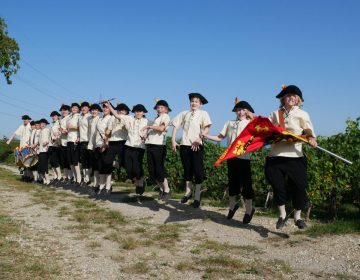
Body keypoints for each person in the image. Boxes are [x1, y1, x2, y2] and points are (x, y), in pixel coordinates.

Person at [265, 85, 317, 229]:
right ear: (283, 98)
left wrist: (312, 139)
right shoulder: (275, 113)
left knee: (300, 187)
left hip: (295, 156)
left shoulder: (303, 114)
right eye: (288, 95)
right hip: (276, 156)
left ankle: (297, 217)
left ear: (298, 99)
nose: (291, 98)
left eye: (294, 96)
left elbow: (308, 132)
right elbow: (266, 129)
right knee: (278, 187)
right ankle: (282, 215)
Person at [203, 99, 256, 223]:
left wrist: (251, 116)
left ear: (247, 111)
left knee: (246, 185)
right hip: (231, 157)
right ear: (235, 111)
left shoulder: (251, 123)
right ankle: (232, 207)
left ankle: (249, 210)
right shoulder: (229, 123)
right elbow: (219, 137)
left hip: (244, 158)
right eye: (238, 110)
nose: (240, 112)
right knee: (232, 183)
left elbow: (260, 129)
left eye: (243, 109)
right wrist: (206, 136)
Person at [170, 93, 212, 208]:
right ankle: (188, 193)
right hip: (184, 145)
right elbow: (176, 125)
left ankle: (197, 196)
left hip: (197, 145)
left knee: (198, 171)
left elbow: (207, 127)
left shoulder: (204, 113)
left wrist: (199, 139)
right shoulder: (184, 113)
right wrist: (173, 140)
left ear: (201, 104)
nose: (194, 103)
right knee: (187, 170)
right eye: (192, 101)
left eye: (196, 102)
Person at [104, 101, 148, 195]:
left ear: (143, 112)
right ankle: (137, 182)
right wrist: (109, 106)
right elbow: (117, 115)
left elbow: (146, 131)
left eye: (140, 111)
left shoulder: (145, 121)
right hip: (128, 145)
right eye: (136, 111)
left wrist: (145, 137)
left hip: (139, 147)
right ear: (133, 112)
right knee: (128, 168)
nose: (138, 113)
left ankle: (140, 184)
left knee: (136, 168)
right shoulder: (129, 118)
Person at [142, 99, 171, 200]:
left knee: (159, 169)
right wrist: (146, 136)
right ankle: (162, 189)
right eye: (158, 107)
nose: (159, 109)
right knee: (152, 171)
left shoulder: (166, 117)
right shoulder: (156, 118)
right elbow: (154, 130)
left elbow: (161, 129)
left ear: (166, 109)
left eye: (162, 107)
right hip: (150, 144)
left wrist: (149, 126)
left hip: (159, 146)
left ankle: (166, 190)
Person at [92, 103, 113, 195]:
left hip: (106, 145)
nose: (105, 109)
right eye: (104, 107)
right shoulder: (100, 119)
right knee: (100, 166)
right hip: (97, 144)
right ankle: (101, 185)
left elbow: (109, 131)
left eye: (107, 107)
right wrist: (93, 145)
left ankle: (108, 186)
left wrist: (105, 144)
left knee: (107, 166)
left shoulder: (111, 118)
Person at [105, 103, 130, 176]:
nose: (120, 111)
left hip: (122, 142)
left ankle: (135, 179)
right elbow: (108, 131)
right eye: (119, 110)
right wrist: (105, 140)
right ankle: (115, 171)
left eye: (122, 110)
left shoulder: (127, 118)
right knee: (107, 161)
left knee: (124, 163)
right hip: (112, 141)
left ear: (126, 112)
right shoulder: (112, 118)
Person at [6, 115, 32, 180]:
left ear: (29, 120)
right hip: (21, 147)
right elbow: (15, 133)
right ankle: (22, 176)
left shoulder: (31, 126)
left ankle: (29, 176)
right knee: (20, 163)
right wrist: (9, 140)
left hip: (28, 147)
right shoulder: (21, 126)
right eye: (23, 119)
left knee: (27, 163)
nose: (24, 120)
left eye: (26, 119)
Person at [87, 103, 102, 192]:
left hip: (99, 145)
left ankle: (103, 184)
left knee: (100, 165)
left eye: (95, 110)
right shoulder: (90, 120)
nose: (93, 111)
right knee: (94, 166)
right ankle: (96, 184)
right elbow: (90, 134)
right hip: (92, 145)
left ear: (99, 111)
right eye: (92, 110)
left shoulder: (100, 119)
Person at [67, 103, 82, 184]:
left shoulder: (79, 116)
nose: (74, 109)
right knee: (70, 161)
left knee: (75, 161)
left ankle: (79, 179)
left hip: (75, 140)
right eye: (73, 107)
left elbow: (81, 128)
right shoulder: (69, 117)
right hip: (68, 140)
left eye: (76, 108)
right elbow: (68, 128)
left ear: (78, 109)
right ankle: (75, 178)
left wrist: (73, 127)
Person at [79, 101, 92, 184]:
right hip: (81, 141)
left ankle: (88, 178)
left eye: (85, 107)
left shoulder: (90, 117)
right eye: (82, 107)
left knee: (88, 161)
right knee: (83, 160)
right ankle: (85, 178)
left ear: (88, 108)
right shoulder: (80, 117)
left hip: (88, 141)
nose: (83, 108)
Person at [59, 104, 72, 181]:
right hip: (62, 142)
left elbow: (68, 130)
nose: (64, 111)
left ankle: (70, 176)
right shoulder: (62, 119)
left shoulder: (69, 118)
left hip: (67, 141)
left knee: (69, 161)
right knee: (64, 161)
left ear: (68, 111)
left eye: (65, 110)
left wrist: (63, 131)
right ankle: (66, 176)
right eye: (62, 110)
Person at [48, 111, 62, 181]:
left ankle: (59, 176)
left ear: (58, 116)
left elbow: (60, 132)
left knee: (56, 161)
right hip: (50, 144)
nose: (53, 117)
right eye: (52, 116)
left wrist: (57, 137)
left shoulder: (59, 123)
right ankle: (55, 176)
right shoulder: (51, 124)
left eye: (55, 116)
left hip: (57, 144)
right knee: (52, 161)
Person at [36, 118, 51, 185]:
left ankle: (48, 180)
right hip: (40, 151)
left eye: (43, 124)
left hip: (45, 151)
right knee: (40, 167)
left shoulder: (47, 130)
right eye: (41, 124)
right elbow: (39, 142)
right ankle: (44, 180)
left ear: (45, 124)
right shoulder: (40, 131)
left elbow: (50, 138)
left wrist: (47, 142)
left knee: (44, 166)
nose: (42, 125)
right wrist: (38, 145)